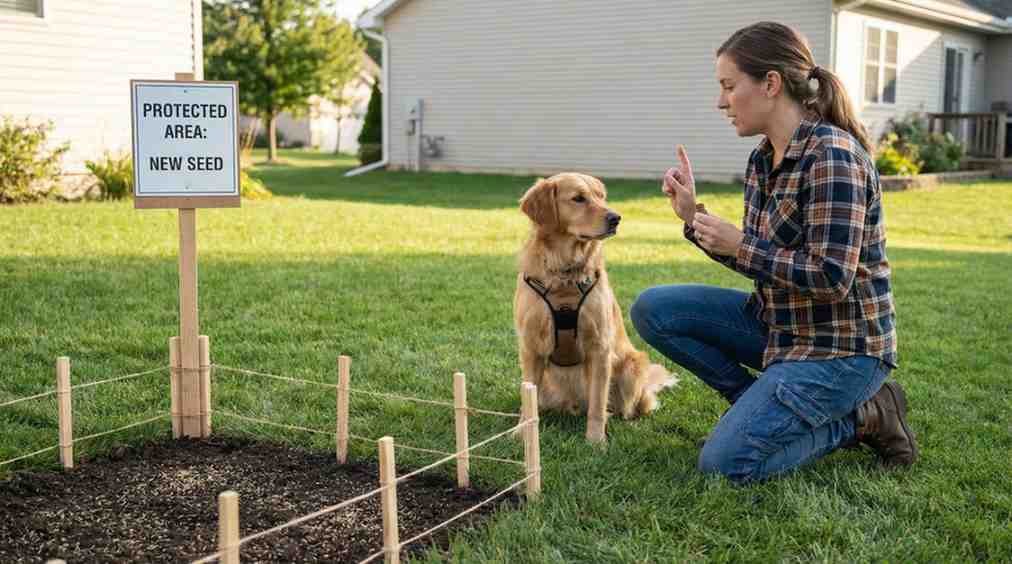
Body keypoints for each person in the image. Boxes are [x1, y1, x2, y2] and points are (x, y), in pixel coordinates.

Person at [629, 22, 917, 484]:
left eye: (729, 86)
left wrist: (742, 244)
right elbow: (760, 261)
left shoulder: (832, 157)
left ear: (771, 83)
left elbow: (831, 278)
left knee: (726, 466)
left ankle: (863, 417)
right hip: (780, 328)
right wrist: (693, 217)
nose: (720, 101)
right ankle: (755, 407)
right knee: (655, 309)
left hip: (840, 350)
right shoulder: (764, 158)